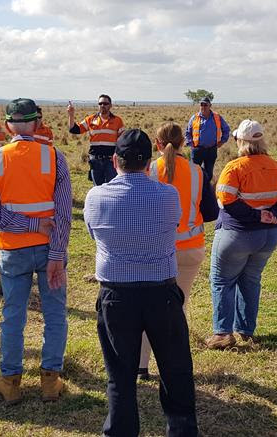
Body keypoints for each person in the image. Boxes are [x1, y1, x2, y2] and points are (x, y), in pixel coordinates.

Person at [85, 128, 198, 437]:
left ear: (114, 160)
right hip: (161, 292)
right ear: (149, 162)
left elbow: (94, 234)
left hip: (116, 295)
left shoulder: (96, 197)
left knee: (119, 376)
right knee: (175, 370)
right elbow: (173, 227)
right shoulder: (168, 194)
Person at [0, 98, 71, 404]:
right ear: (36, 123)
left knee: (13, 315)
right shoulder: (54, 157)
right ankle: (50, 381)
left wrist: (27, 224)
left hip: (12, 250)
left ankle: (10, 381)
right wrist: (56, 252)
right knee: (55, 313)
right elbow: (62, 215)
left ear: (7, 125)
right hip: (50, 250)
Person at [137, 122, 219, 378]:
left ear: (157, 144)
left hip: (156, 250)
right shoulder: (197, 172)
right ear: (185, 143)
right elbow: (211, 212)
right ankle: (175, 367)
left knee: (146, 308)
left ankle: (141, 366)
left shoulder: (148, 170)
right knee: (177, 308)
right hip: (191, 250)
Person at [207, 119, 277, 349]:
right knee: (251, 279)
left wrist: (256, 216)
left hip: (237, 234)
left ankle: (223, 333)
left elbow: (225, 199)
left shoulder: (234, 167)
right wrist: (272, 214)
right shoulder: (276, 166)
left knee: (222, 280)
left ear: (240, 141)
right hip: (268, 236)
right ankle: (246, 330)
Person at [67, 94, 125, 185]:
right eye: (100, 103)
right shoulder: (90, 120)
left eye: (105, 103)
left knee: (112, 187)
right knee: (97, 188)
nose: (102, 105)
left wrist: (116, 155)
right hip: (95, 161)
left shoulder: (118, 121)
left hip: (110, 162)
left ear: (110, 105)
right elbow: (74, 129)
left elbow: (122, 141)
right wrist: (71, 115)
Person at [184, 97, 230, 181]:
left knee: (208, 174)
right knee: (193, 173)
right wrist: (191, 144)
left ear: (210, 106)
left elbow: (226, 129)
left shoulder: (217, 117)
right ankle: (194, 191)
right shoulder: (194, 118)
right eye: (201, 104)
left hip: (211, 150)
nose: (203, 107)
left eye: (205, 104)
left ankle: (206, 191)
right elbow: (187, 132)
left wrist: (222, 141)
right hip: (197, 150)